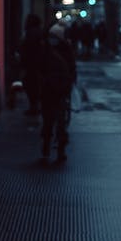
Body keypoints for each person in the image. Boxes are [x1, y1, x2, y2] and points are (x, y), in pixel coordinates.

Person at [40, 22, 76, 163]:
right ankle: (51, 147)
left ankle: (56, 148)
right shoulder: (49, 51)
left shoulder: (50, 50)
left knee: (57, 121)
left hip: (56, 91)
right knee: (52, 121)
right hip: (54, 90)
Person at [16, 14, 46, 116]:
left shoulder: (30, 33)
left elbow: (27, 48)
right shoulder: (39, 32)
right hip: (37, 63)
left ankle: (34, 107)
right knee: (35, 86)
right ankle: (35, 106)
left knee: (31, 85)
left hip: (31, 64)